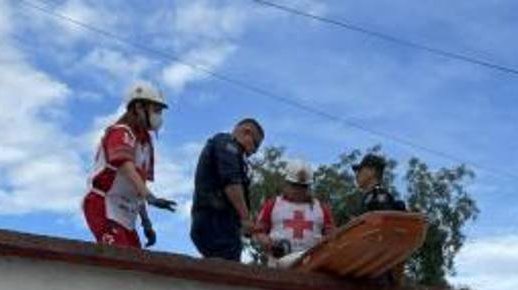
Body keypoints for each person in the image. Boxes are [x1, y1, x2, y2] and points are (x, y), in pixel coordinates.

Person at [83, 82, 176, 249]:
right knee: (119, 258)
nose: (159, 117)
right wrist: (151, 197)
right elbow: (126, 168)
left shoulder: (146, 144)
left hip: (127, 212)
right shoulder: (121, 132)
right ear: (139, 108)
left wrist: (146, 223)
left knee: (136, 261)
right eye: (156, 110)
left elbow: (138, 185)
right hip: (103, 204)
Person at [190, 118, 264, 261]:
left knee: (225, 263)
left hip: (218, 223)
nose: (254, 151)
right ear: (246, 132)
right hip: (215, 222)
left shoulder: (235, 155)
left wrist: (248, 226)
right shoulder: (226, 143)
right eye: (255, 145)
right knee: (224, 268)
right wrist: (245, 218)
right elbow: (231, 182)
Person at [253, 158, 335, 264]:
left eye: (303, 187)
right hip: (278, 265)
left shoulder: (321, 208)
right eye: (294, 185)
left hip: (311, 265)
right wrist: (265, 241)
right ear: (286, 183)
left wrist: (326, 241)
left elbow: (333, 236)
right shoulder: (272, 204)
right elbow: (259, 231)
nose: (299, 190)